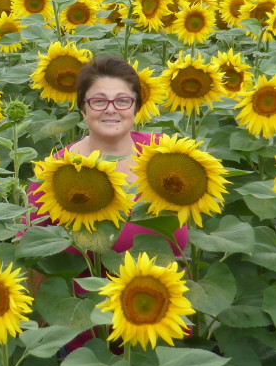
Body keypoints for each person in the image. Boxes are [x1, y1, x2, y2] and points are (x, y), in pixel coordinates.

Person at [25, 55, 189, 262]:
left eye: (122, 100)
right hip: (86, 294)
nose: (110, 109)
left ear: (136, 107)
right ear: (83, 109)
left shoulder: (169, 154)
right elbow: (31, 254)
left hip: (170, 290)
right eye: (99, 101)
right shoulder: (54, 172)